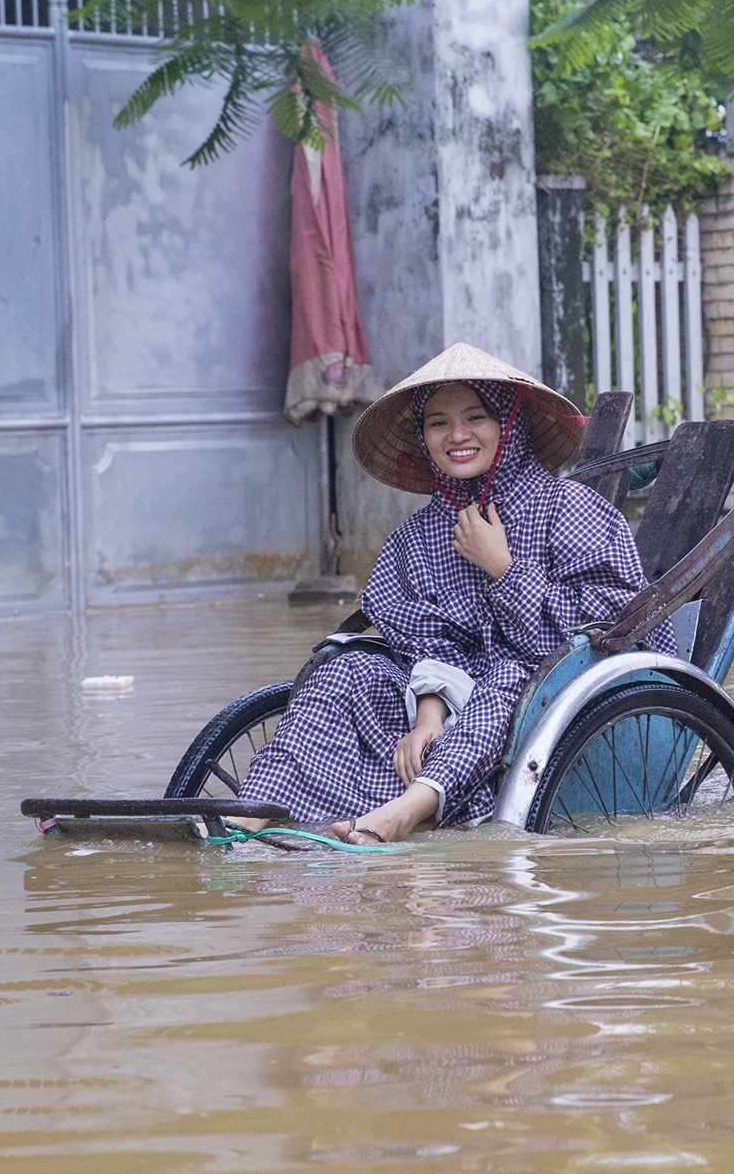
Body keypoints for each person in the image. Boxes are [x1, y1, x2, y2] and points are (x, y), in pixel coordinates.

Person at [236, 343, 656, 842]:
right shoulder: (418, 536)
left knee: (507, 678)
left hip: (564, 699)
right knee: (346, 669)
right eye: (437, 423)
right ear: (422, 437)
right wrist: (428, 712)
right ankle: (248, 812)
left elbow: (613, 631)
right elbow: (425, 643)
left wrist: (503, 567)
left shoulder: (569, 508)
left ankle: (406, 811)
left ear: (508, 425)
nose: (457, 436)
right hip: (453, 700)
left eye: (475, 417)